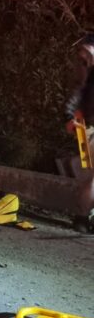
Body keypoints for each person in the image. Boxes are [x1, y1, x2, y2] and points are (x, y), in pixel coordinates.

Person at [65, 33, 94, 232]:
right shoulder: (89, 73)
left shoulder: (88, 72)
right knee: (91, 177)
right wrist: (71, 117)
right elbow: (79, 94)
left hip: (86, 126)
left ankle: (83, 218)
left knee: (90, 177)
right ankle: (83, 218)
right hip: (88, 127)